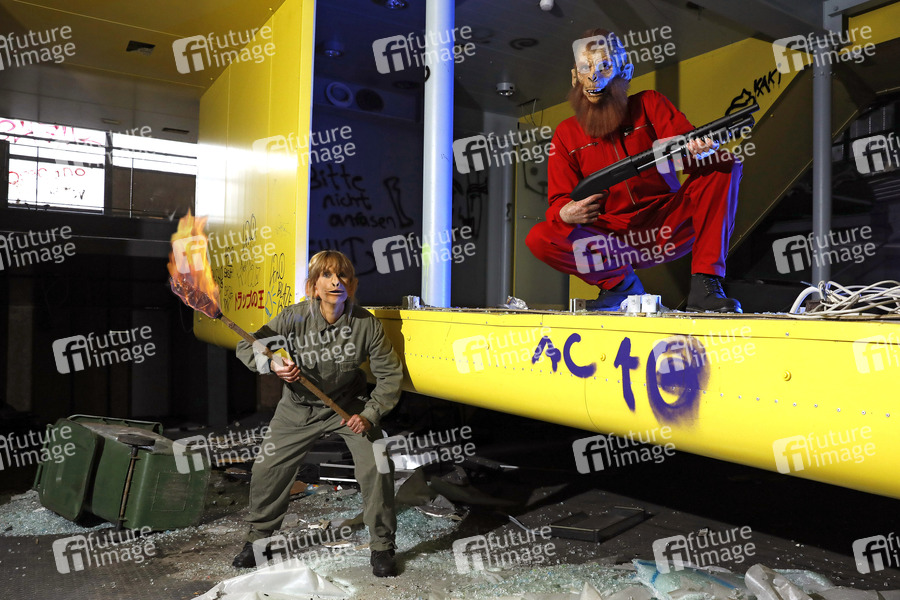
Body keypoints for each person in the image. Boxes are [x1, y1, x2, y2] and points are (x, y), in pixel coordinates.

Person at [526, 28, 743, 312]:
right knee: (540, 237)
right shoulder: (565, 134)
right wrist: (566, 212)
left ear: (625, 71)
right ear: (575, 76)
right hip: (611, 241)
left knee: (724, 163)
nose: (593, 76)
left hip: (669, 225)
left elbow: (688, 156)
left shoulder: (650, 103)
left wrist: (698, 151)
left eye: (604, 66)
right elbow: (558, 203)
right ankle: (621, 286)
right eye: (585, 68)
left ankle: (706, 284)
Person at [231, 250, 403, 577]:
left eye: (343, 275)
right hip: (299, 407)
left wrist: (370, 414)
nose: (336, 282)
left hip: (349, 406)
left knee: (377, 462)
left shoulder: (367, 324)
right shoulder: (293, 318)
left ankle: (382, 546)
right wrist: (274, 364)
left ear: (352, 285)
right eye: (327, 275)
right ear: (313, 286)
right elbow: (248, 347)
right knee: (268, 467)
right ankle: (258, 540)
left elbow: (389, 376)